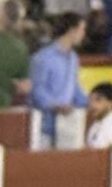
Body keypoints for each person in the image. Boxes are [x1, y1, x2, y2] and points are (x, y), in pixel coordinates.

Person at [29, 13, 89, 143]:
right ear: (72, 30)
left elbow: (74, 88)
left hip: (66, 126)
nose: (83, 34)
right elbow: (36, 90)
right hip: (43, 127)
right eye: (82, 29)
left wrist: (90, 103)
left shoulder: (73, 58)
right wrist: (56, 106)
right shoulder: (43, 58)